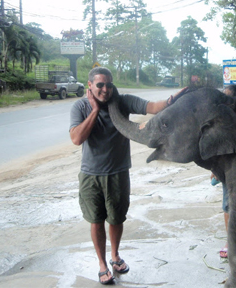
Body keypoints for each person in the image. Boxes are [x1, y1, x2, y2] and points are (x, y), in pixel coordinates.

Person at [69, 67, 184, 285]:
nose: (105, 89)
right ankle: (102, 264)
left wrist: (171, 100)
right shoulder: (81, 106)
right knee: (96, 221)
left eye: (109, 85)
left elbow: (151, 107)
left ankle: (115, 256)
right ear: (90, 86)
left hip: (118, 172)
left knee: (116, 218)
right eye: (100, 85)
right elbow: (76, 138)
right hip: (90, 175)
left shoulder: (122, 102)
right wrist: (94, 111)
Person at [211, 84, 236, 259]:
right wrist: (214, 167)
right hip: (230, 168)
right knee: (228, 204)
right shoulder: (223, 120)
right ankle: (231, 241)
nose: (223, 101)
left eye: (227, 98)